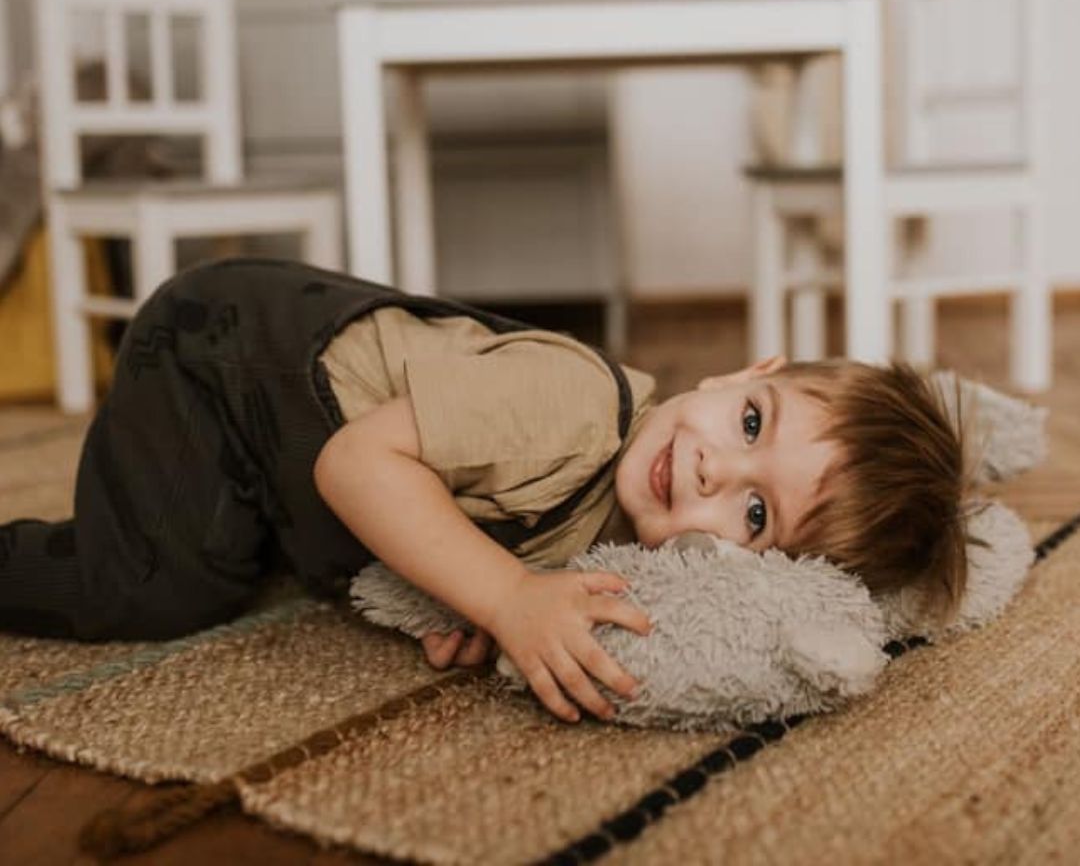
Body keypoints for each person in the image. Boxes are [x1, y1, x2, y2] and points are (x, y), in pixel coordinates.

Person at [0, 258, 967, 724]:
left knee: (303, 551)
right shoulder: (570, 407)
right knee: (159, 587)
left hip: (294, 424)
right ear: (739, 374)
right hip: (220, 362)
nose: (717, 469)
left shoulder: (623, 531)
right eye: (751, 423)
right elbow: (351, 468)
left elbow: (465, 520)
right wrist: (504, 595)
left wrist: (471, 586)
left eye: (753, 516)